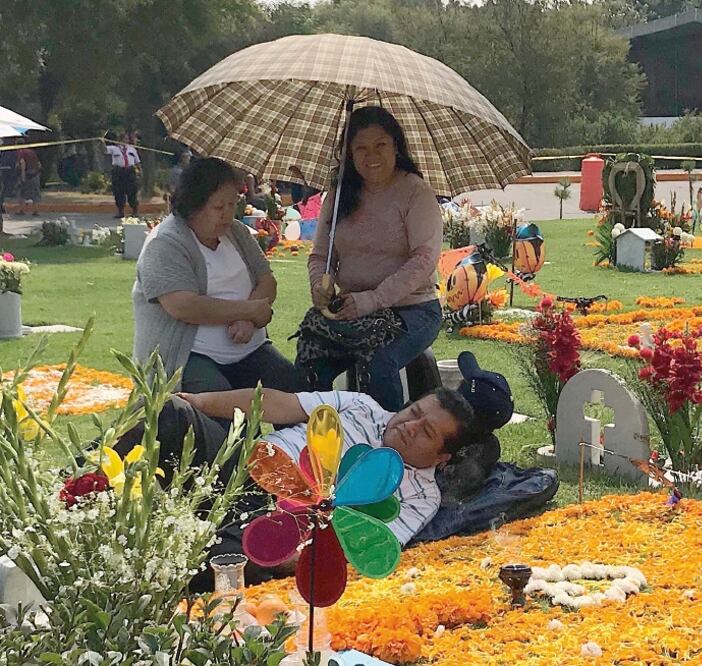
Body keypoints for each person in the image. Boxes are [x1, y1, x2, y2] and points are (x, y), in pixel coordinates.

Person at [114, 350, 513, 589]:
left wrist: (292, 553)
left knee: (220, 558)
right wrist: (198, 403)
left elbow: (362, 548)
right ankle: (79, 491)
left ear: (442, 457)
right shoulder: (363, 406)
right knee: (172, 413)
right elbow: (277, 404)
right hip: (245, 465)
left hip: (281, 516)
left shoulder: (421, 496)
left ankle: (138, 569)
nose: (407, 426)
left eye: (424, 431)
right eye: (413, 412)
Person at [132, 156, 307, 395]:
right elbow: (183, 306)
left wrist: (248, 320)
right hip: (190, 359)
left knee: (295, 389)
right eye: (218, 207)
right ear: (193, 205)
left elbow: (266, 280)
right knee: (222, 405)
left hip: (250, 352)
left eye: (232, 204)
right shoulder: (165, 243)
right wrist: (249, 311)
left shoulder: (237, 232)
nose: (226, 214)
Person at [307, 106, 443, 411]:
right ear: (349, 154)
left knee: (377, 358)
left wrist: (372, 299)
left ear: (396, 146)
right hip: (352, 310)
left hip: (414, 310)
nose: (372, 156)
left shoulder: (415, 193)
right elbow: (320, 255)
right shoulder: (339, 195)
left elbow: (423, 260)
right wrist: (320, 284)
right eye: (361, 148)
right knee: (309, 358)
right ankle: (308, 444)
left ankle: (385, 445)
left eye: (380, 145)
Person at [105, 131, 141, 218]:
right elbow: (104, 150)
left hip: (129, 171)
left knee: (132, 191)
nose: (126, 141)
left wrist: (140, 171)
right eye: (124, 139)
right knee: (118, 192)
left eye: (127, 139)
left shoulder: (132, 149)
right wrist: (102, 141)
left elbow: (137, 161)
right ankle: (120, 211)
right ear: (120, 140)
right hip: (118, 172)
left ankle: (135, 211)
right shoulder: (114, 148)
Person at [15, 141, 41, 216]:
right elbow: (39, 164)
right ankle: (36, 210)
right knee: (35, 193)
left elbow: (23, 163)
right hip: (35, 175)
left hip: (27, 175)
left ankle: (21, 210)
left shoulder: (21, 152)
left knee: (21, 191)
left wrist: (23, 176)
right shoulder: (32, 152)